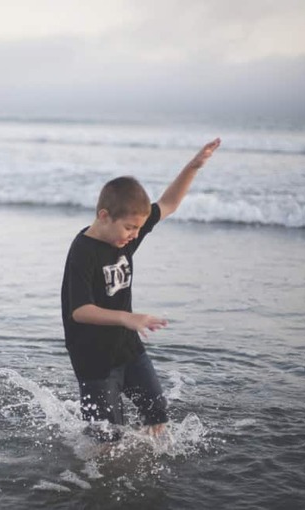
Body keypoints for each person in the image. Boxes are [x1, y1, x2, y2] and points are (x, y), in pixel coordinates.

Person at [61, 138, 221, 439]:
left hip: (128, 348)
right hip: (94, 359)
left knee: (157, 414)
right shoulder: (83, 250)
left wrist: (193, 167)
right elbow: (80, 311)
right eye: (130, 228)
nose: (134, 236)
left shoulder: (123, 236)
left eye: (138, 229)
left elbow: (169, 204)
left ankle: (145, 465)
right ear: (104, 216)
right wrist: (126, 317)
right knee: (107, 437)